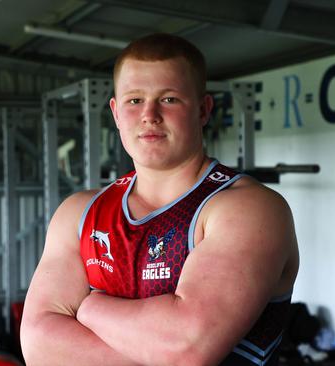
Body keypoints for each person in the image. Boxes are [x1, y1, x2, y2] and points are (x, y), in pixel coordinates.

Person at [20, 33, 299, 366]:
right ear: (116, 113)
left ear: (203, 110)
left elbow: (184, 349)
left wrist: (88, 307)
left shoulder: (248, 210)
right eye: (135, 100)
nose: (149, 114)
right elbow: (39, 344)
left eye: (169, 99)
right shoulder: (79, 214)